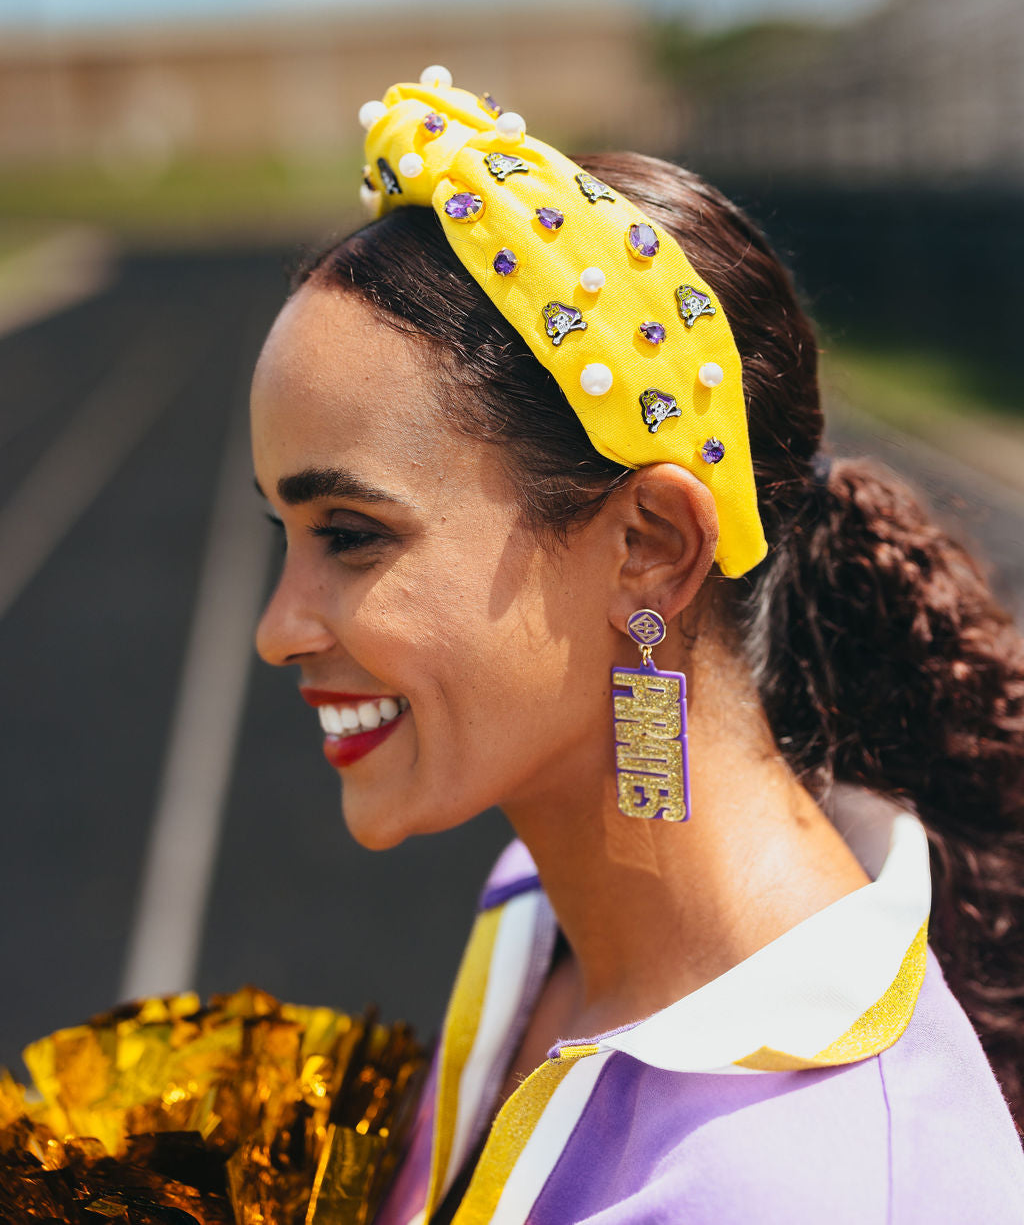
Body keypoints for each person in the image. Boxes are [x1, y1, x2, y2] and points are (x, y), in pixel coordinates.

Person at [250, 69, 1024, 1224]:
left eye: (350, 536)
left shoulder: (839, 1186)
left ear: (651, 547)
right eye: (287, 533)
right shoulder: (537, 905)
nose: (278, 628)